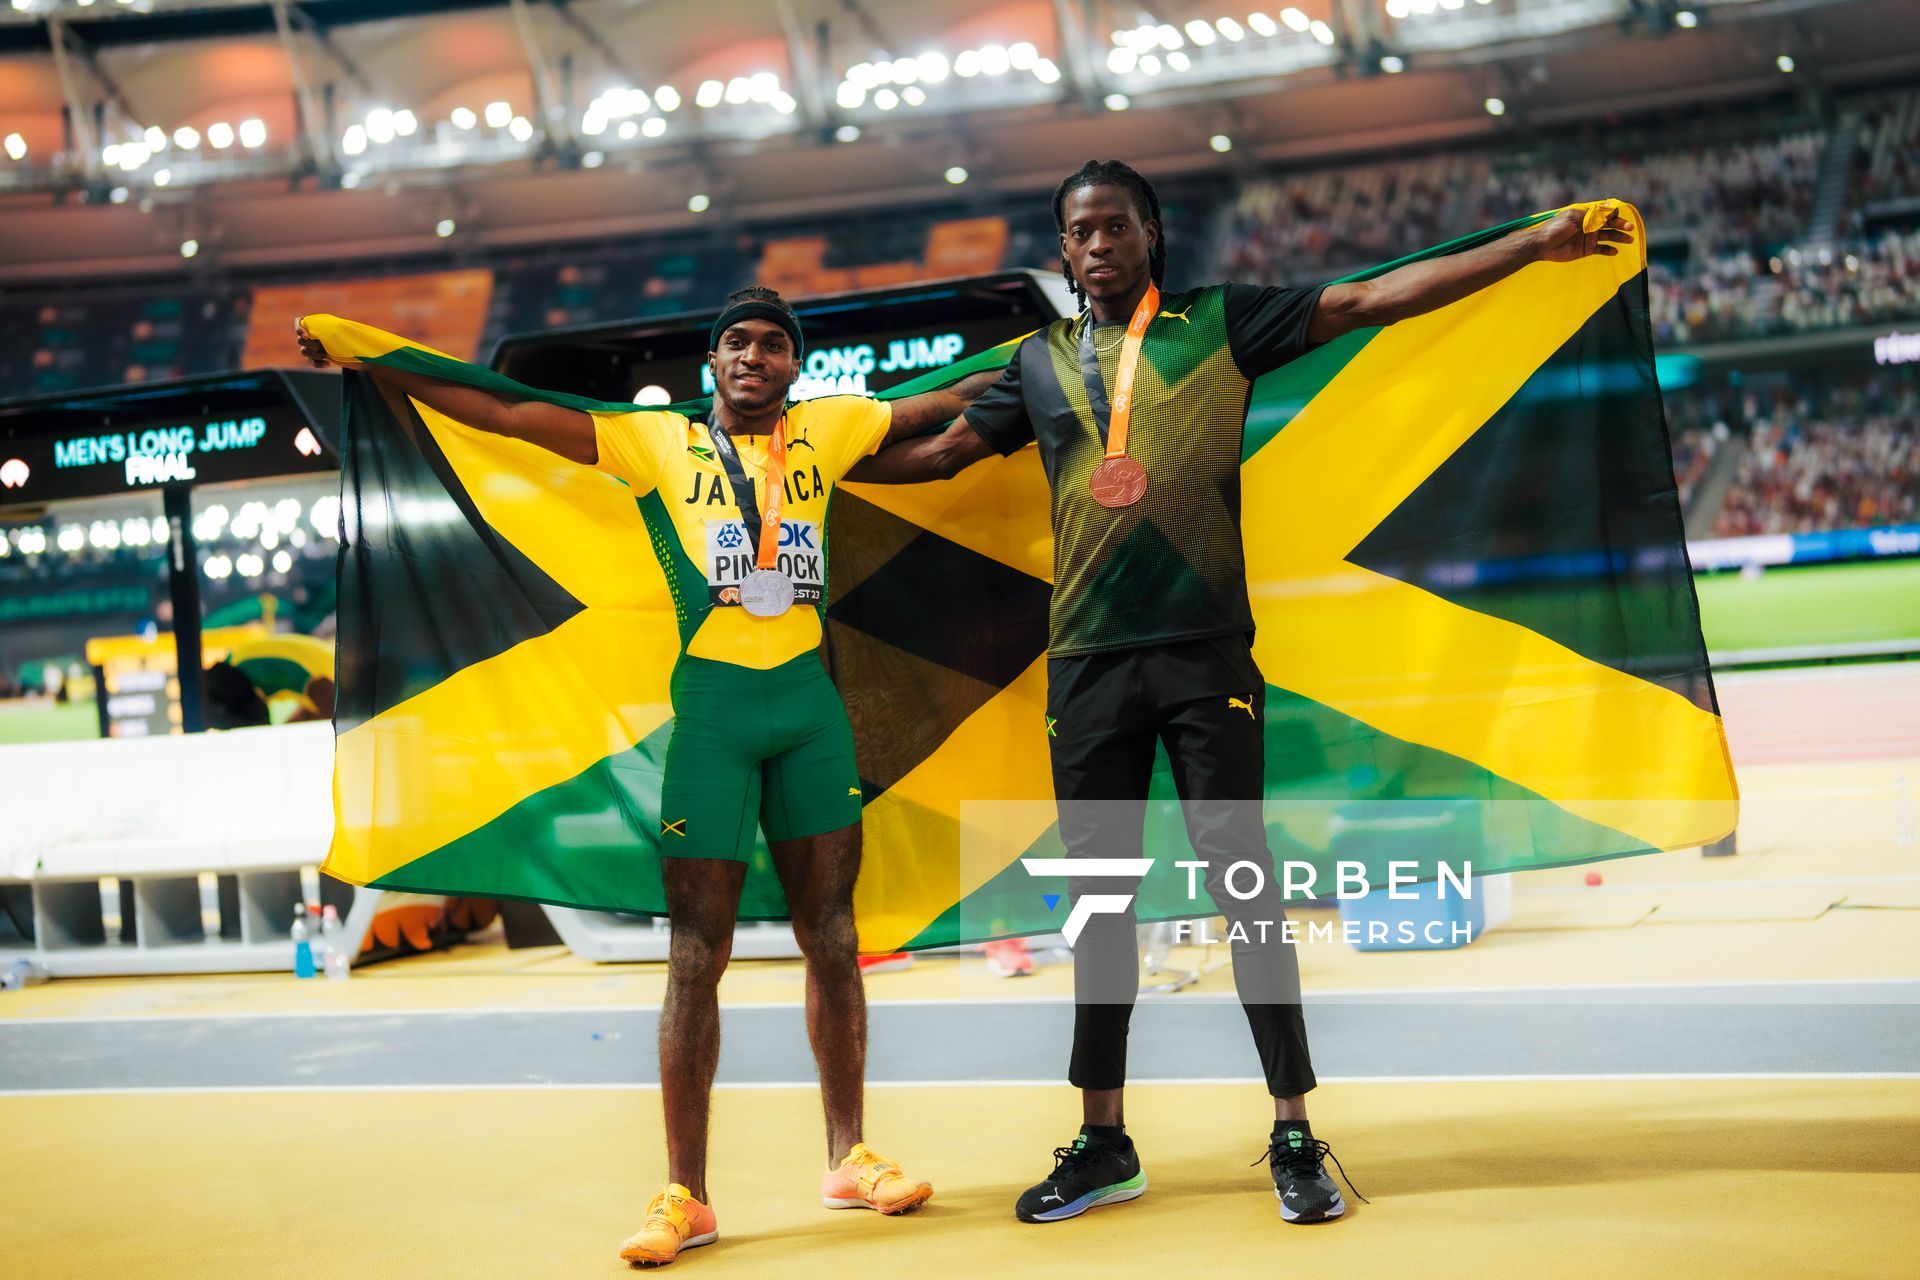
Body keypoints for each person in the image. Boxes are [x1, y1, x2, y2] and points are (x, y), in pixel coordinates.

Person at [852, 159, 1634, 1225]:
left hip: (1202, 653)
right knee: (1102, 909)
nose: (1096, 246)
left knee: (1249, 899)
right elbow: (940, 454)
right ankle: (1103, 1137)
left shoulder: (1222, 324)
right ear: (1064, 249)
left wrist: (1525, 248)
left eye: (1114, 226)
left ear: (1151, 234)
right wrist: (797, 468)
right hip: (1085, 660)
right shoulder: (1037, 363)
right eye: (1078, 232)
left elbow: (1365, 299)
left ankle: (1296, 1128)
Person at [297, 286, 996, 1265]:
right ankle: (686, 1193)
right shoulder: (653, 441)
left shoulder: (828, 427)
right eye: (737, 342)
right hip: (712, 716)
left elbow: (941, 402)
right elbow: (500, 409)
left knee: (832, 934)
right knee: (693, 951)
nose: (755, 355)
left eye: (775, 345)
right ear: (712, 362)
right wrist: (375, 357)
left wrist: (1061, 346)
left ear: (795, 366)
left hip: (809, 714)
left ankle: (850, 1156)